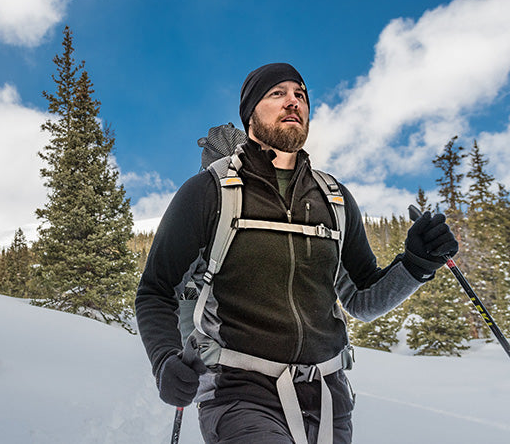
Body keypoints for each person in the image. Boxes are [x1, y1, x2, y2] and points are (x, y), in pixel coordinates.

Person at [135, 63, 459, 444]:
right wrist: (164, 359)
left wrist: (416, 264)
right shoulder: (208, 192)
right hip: (238, 394)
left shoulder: (334, 200)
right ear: (250, 114)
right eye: (277, 93)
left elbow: (362, 297)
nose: (293, 101)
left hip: (330, 402)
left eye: (300, 95)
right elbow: (156, 290)